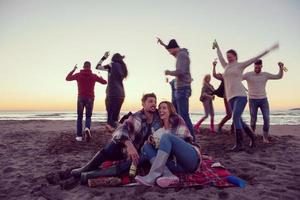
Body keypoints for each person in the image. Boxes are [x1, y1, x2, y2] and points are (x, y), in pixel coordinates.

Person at [71, 93, 161, 182]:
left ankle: (90, 175)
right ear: (143, 104)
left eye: (155, 102)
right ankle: (85, 169)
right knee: (113, 144)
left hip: (144, 154)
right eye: (150, 101)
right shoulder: (137, 117)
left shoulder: (158, 117)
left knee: (136, 160)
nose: (153, 104)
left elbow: (171, 117)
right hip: (128, 151)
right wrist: (129, 145)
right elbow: (121, 129)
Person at [213, 40, 279, 151]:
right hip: (230, 97)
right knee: (240, 120)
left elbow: (255, 58)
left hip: (240, 95)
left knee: (235, 117)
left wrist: (269, 50)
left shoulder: (240, 65)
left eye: (230, 56)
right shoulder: (226, 66)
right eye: (227, 57)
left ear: (235, 57)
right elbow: (220, 57)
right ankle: (252, 137)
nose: (228, 58)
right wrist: (217, 47)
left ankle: (239, 144)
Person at [135, 101, 201, 187]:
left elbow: (182, 139)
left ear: (170, 110)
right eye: (160, 109)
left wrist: (160, 142)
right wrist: (152, 142)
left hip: (190, 160)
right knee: (147, 145)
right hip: (178, 165)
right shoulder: (159, 130)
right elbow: (159, 150)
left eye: (164, 108)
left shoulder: (176, 119)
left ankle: (153, 175)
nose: (161, 110)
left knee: (166, 137)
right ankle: (168, 175)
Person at [157, 37, 195, 141]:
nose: (169, 53)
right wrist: (163, 44)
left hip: (182, 88)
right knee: (175, 114)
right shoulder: (179, 54)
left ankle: (192, 140)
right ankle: (179, 136)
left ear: (174, 48)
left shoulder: (182, 55)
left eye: (170, 51)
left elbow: (181, 72)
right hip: (179, 89)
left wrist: (169, 72)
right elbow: (170, 49)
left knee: (184, 116)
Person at [243, 60, 284, 143]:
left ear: (261, 66)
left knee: (266, 118)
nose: (257, 69)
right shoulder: (248, 74)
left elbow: (279, 76)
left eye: (258, 67)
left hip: (263, 100)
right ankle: (252, 137)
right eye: (255, 67)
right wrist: (243, 89)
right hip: (252, 100)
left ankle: (265, 137)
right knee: (253, 120)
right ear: (254, 66)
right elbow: (237, 79)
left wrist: (281, 68)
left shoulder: (265, 75)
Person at [66, 61, 107, 142]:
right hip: (90, 98)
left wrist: (73, 70)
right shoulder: (93, 76)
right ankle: (87, 128)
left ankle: (79, 136)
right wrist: (101, 77)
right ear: (90, 67)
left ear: (83, 67)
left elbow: (67, 78)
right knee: (88, 116)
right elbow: (105, 82)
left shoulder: (78, 74)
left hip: (80, 97)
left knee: (80, 117)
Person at [96, 52, 128, 133]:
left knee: (110, 116)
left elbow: (97, 67)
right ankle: (116, 133)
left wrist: (104, 57)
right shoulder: (123, 68)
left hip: (112, 93)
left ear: (113, 58)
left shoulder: (111, 65)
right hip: (121, 94)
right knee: (115, 116)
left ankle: (112, 131)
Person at [211, 60, 233, 134]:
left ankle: (233, 129)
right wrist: (214, 66)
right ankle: (220, 126)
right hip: (227, 97)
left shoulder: (235, 76)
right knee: (229, 114)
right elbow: (214, 75)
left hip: (235, 96)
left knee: (237, 113)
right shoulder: (224, 76)